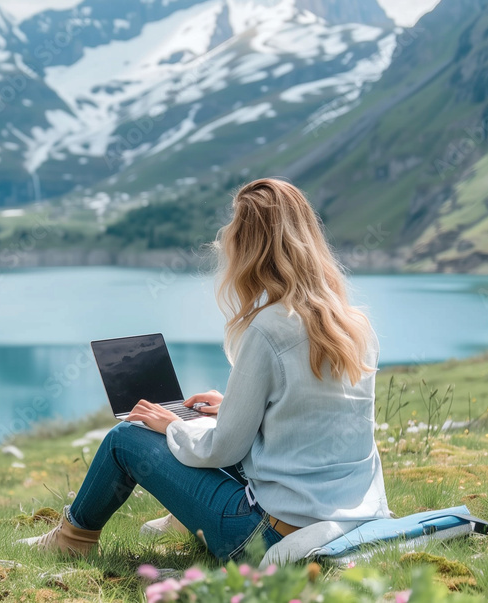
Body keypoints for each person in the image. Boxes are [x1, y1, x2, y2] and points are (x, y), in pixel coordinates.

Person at [21, 178, 389, 560]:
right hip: (349, 522)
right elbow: (312, 421)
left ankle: (73, 538)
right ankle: (186, 514)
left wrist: (173, 425)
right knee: (202, 423)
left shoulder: (269, 329)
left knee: (125, 438)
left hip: (262, 536)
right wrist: (233, 406)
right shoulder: (355, 325)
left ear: (248, 248)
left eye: (232, 231)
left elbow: (224, 448)